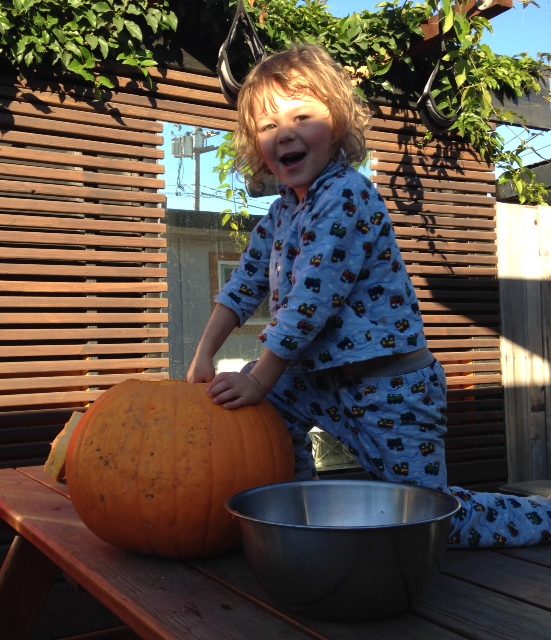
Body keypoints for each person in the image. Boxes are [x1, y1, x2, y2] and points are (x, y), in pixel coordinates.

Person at [187, 43, 551, 548]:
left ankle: (540, 517)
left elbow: (310, 303)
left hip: (389, 387)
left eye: (302, 116)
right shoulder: (279, 215)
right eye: (268, 125)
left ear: (336, 122)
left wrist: (259, 378)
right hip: (317, 382)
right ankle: (295, 521)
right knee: (266, 407)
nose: (285, 132)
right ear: (256, 145)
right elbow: (243, 285)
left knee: (427, 520)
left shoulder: (347, 195)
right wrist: (204, 354)